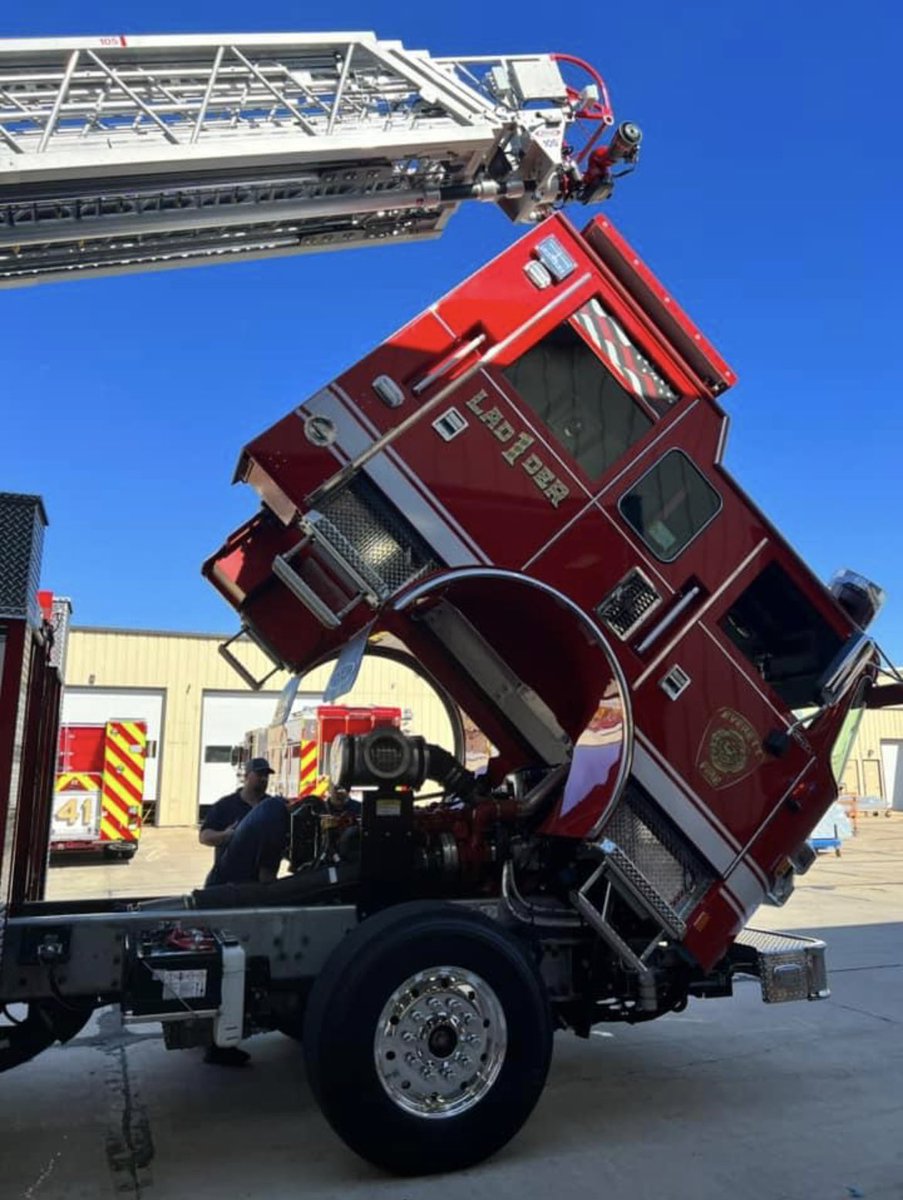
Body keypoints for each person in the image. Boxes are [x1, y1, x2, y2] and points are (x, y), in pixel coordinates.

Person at [198, 757, 288, 1067]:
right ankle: (215, 1042)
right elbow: (204, 835)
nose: (262, 780)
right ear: (246, 775)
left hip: (254, 895)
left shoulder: (270, 807)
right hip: (225, 887)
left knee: (247, 969)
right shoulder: (227, 805)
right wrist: (229, 836)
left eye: (266, 775)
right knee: (225, 966)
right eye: (258, 775)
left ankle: (223, 1037)